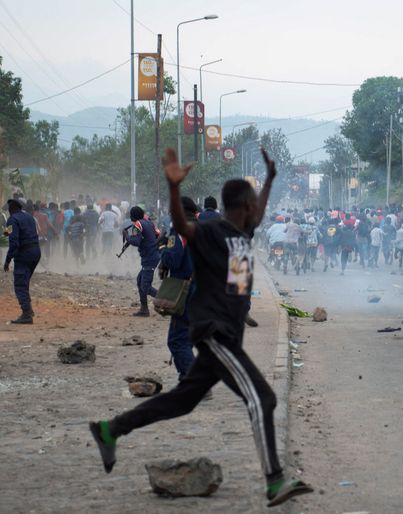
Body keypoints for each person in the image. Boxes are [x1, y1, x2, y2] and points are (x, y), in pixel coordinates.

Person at [90, 147, 312, 506]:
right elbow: (181, 226)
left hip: (227, 332)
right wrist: (174, 188)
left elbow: (255, 227)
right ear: (243, 206)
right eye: (255, 202)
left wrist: (270, 179)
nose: (259, 208)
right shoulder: (212, 232)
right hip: (215, 332)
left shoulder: (243, 234)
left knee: (182, 401)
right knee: (264, 398)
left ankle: (110, 429)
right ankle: (274, 481)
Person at [158, 196, 199, 380]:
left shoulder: (180, 232)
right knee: (187, 338)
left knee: (177, 340)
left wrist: (163, 248)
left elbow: (172, 259)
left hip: (187, 290)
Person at [3, 198, 41, 324]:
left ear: (11, 209)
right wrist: (6, 232)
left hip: (24, 254)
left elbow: (13, 243)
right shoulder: (29, 217)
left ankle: (26, 315)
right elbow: (9, 233)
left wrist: (7, 261)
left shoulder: (12, 219)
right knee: (24, 283)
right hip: (35, 252)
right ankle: (28, 310)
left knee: (20, 285)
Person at [125, 206, 161, 317]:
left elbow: (135, 241)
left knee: (145, 286)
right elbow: (158, 234)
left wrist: (126, 236)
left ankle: (168, 300)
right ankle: (144, 309)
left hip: (149, 257)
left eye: (131, 215)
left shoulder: (138, 224)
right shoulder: (148, 222)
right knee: (140, 280)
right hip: (152, 255)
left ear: (133, 216)